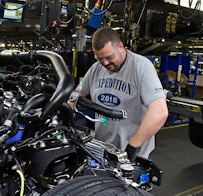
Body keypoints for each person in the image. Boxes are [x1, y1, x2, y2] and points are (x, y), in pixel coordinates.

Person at [70, 27, 168, 161]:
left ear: (120, 47)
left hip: (130, 153)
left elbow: (160, 112)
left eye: (109, 57)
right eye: (100, 59)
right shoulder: (96, 69)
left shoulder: (142, 67)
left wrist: (132, 148)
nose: (105, 63)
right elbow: (76, 95)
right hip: (101, 149)